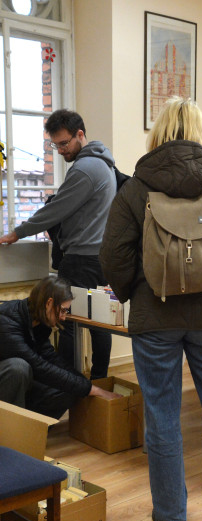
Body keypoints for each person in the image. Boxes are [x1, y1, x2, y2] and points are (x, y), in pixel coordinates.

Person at [99, 96, 202, 521]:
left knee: (163, 415)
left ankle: (172, 516)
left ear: (158, 132)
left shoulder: (135, 188)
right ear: (199, 132)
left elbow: (112, 257)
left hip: (155, 319)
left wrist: (141, 290)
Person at [0, 109, 116, 380]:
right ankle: (100, 384)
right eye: (55, 145)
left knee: (68, 323)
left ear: (80, 134)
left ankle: (66, 387)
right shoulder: (105, 163)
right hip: (100, 257)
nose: (61, 151)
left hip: (81, 260)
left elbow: (56, 210)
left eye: (64, 143)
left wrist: (17, 233)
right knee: (101, 323)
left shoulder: (86, 169)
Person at [0, 276, 120, 419]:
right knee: (19, 367)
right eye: (63, 310)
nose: (63, 317)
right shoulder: (7, 320)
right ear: (49, 303)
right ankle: (12, 430)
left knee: (70, 390)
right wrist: (91, 389)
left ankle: (31, 429)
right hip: (9, 379)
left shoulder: (39, 322)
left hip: (20, 382)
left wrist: (86, 385)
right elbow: (38, 366)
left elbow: (52, 359)